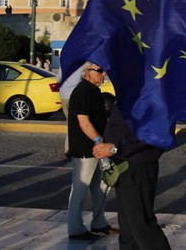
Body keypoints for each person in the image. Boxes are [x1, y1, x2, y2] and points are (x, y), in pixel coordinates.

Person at [94, 103, 171, 250]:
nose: (105, 78)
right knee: (128, 227)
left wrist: (114, 147)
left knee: (141, 224)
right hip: (124, 164)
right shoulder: (133, 91)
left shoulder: (149, 94)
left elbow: (152, 133)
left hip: (137, 166)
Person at [67, 62, 119, 240]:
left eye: (104, 70)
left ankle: (99, 223)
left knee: (102, 187)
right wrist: (99, 140)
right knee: (80, 191)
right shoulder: (82, 91)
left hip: (98, 149)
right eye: (99, 71)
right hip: (85, 149)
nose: (103, 74)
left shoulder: (93, 91)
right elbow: (83, 122)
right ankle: (75, 229)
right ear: (87, 72)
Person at [57, 64, 84, 156]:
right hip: (75, 95)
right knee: (77, 123)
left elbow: (58, 79)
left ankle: (68, 148)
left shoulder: (64, 63)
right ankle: (72, 148)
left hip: (64, 95)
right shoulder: (81, 65)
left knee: (70, 122)